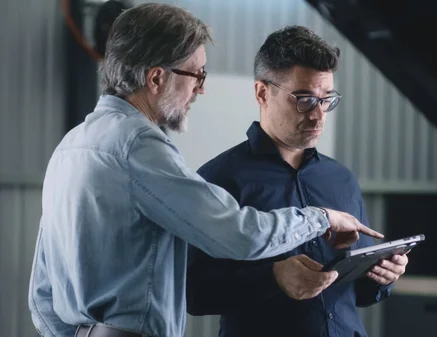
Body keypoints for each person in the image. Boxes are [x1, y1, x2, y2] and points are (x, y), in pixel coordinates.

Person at [27, 5, 382, 337]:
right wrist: (319, 218)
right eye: (196, 73)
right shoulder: (139, 146)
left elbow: (42, 294)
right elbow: (240, 234)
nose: (201, 87)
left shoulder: (71, 147)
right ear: (155, 79)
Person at [186, 25, 409, 337]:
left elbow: (356, 293)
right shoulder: (218, 180)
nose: (318, 115)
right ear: (262, 92)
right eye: (304, 99)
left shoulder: (341, 180)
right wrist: (273, 277)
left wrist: (383, 276)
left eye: (327, 99)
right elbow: (195, 293)